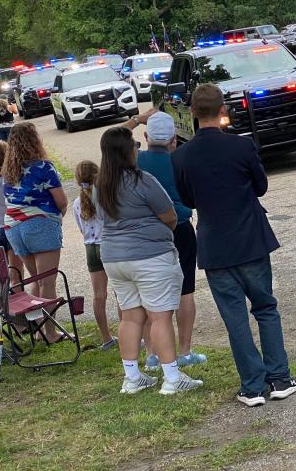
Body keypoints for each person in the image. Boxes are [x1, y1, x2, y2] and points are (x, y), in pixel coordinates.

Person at [173, 83, 296, 407]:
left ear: (192, 113)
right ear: (224, 110)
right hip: (251, 240)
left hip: (215, 246)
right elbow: (261, 186)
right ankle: (280, 378)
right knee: (266, 308)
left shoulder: (182, 157)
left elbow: (188, 199)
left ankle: (252, 386)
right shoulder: (242, 147)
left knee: (235, 319)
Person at [95, 125, 203, 395]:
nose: (137, 149)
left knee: (131, 316)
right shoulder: (142, 180)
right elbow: (169, 216)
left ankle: (132, 377)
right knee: (160, 317)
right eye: (134, 145)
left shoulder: (100, 186)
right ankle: (172, 377)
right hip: (149, 256)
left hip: (114, 258)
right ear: (126, 151)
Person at [134, 112, 206, 368]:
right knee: (185, 290)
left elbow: (112, 140)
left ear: (146, 137)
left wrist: (135, 119)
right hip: (182, 228)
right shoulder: (180, 161)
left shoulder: (136, 160)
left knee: (148, 293)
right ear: (174, 139)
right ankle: (184, 350)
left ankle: (152, 353)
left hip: (147, 233)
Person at [2, 122, 68, 343]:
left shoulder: (7, 171)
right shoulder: (43, 167)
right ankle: (49, 332)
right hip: (40, 224)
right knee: (47, 282)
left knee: (36, 280)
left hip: (13, 226)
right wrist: (60, 214)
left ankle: (39, 329)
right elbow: (61, 200)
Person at [73, 160, 116, 350]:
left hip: (90, 248)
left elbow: (81, 229)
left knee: (99, 296)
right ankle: (129, 332)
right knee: (121, 292)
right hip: (107, 244)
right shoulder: (105, 198)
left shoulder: (77, 203)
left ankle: (106, 338)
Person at [0, 140, 24, 278]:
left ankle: (6, 297)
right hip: (10, 225)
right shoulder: (9, 181)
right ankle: (17, 294)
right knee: (16, 271)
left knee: (2, 270)